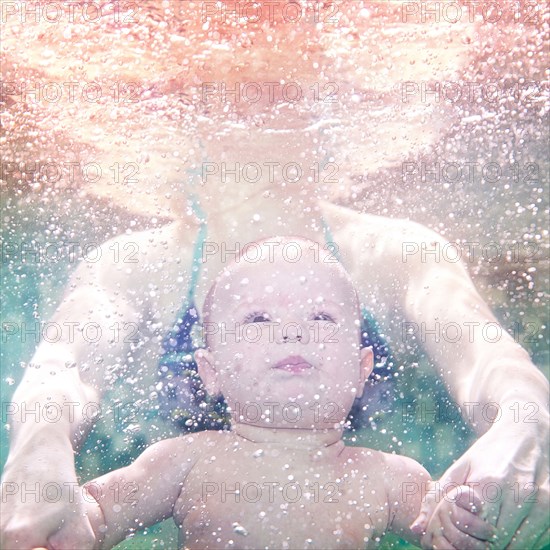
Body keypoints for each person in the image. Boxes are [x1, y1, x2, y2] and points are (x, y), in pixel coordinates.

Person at [1, 3, 548, 549]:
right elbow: (62, 368)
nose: (257, 110)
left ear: (331, 99)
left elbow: (492, 363)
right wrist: (40, 450)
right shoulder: (136, 265)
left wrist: (523, 426)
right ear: (185, 108)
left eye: (284, 87)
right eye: (229, 89)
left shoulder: (397, 252)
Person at [79, 239, 494, 550]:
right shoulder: (183, 460)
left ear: (363, 368)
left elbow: (443, 525)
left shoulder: (389, 476)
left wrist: (455, 518)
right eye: (259, 319)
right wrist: (63, 514)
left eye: (321, 317)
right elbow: (95, 514)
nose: (292, 331)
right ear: (211, 372)